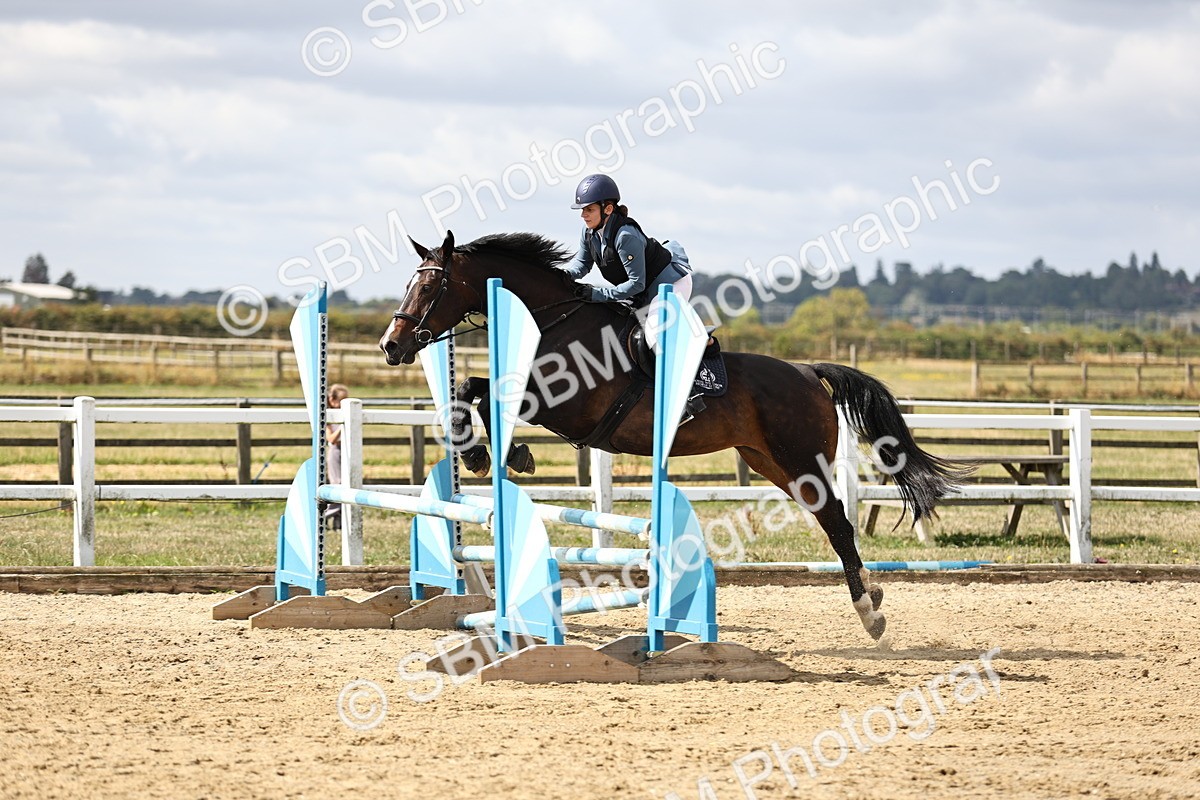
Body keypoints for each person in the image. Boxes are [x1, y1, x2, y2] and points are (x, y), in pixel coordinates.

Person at [563, 173, 693, 306]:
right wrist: (562, 276)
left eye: (589, 209)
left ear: (608, 209)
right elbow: (582, 264)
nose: (583, 215)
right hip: (641, 290)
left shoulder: (625, 237)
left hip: (671, 283)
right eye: (583, 209)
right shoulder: (588, 232)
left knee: (652, 325)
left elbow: (637, 283)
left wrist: (598, 294)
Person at [324, 384, 350, 529]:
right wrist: (343, 426)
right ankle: (324, 515)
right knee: (337, 484)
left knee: (347, 484)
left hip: (346, 450)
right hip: (335, 451)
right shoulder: (330, 417)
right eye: (342, 400)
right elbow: (331, 439)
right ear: (333, 401)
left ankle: (338, 522)